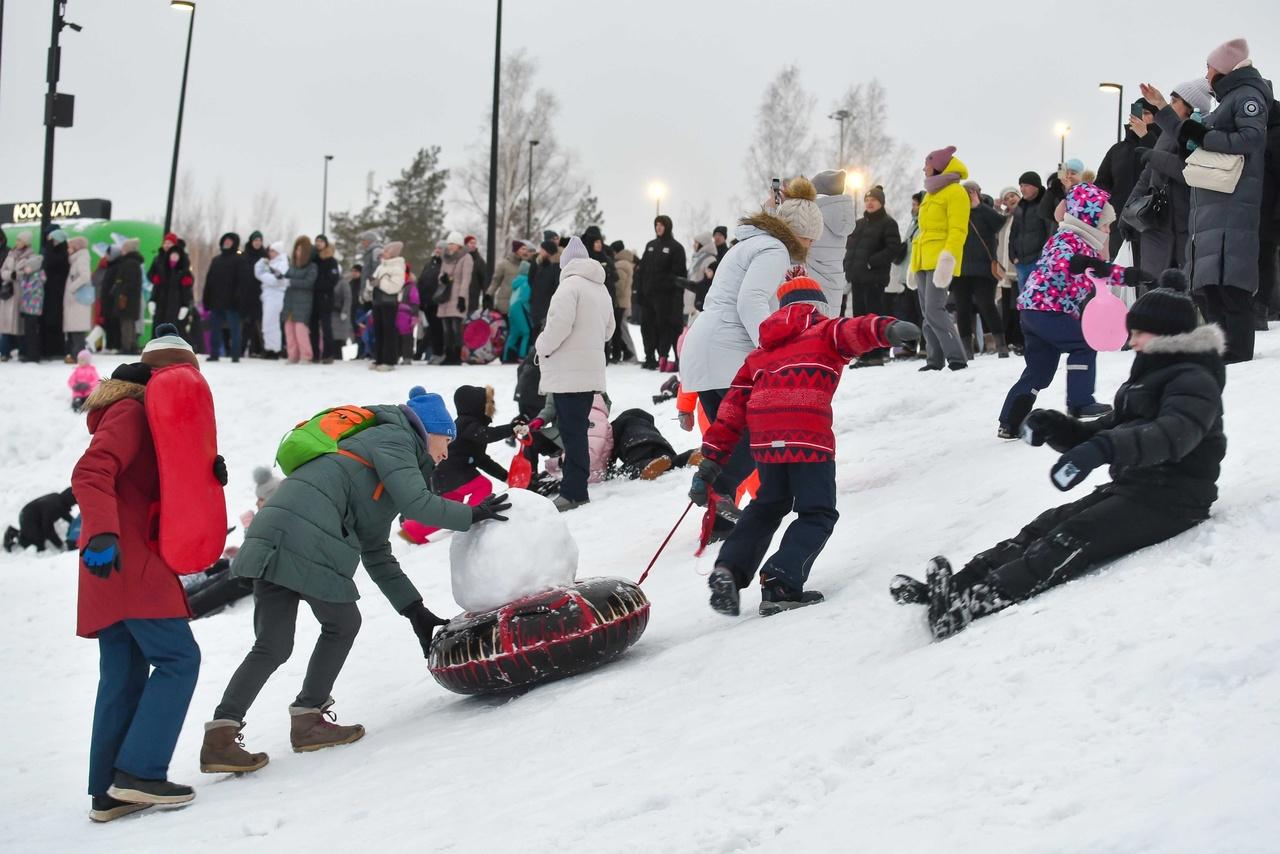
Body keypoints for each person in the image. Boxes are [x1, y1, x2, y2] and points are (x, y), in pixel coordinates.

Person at [893, 270, 1226, 640]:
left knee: (1072, 535)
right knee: (1042, 527)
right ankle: (955, 586)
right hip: (1136, 487)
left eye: (1137, 333)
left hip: (1174, 499)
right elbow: (1114, 427)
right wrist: (1060, 428)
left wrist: (1101, 450)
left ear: (1165, 336)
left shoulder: (1195, 379)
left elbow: (1172, 435)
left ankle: (973, 602)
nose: (1130, 342)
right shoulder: (1152, 375)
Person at [200, 389, 511, 772]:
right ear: (428, 432)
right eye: (445, 442)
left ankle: (220, 737)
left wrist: (415, 611)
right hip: (307, 533)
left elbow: (376, 551)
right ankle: (308, 718)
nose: (446, 453)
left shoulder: (371, 457)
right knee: (342, 623)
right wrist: (473, 513)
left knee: (272, 644)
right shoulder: (396, 439)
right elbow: (419, 506)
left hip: (273, 529)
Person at [692, 277, 919, 616]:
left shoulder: (760, 352)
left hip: (766, 440)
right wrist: (888, 329)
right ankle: (781, 580)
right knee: (818, 511)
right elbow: (855, 329)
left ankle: (728, 569)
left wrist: (710, 461)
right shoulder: (825, 330)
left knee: (767, 504)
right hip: (806, 435)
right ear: (817, 306)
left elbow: (731, 411)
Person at [72, 330, 221, 820]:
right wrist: (101, 534)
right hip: (124, 555)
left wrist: (205, 475)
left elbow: (159, 486)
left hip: (114, 558)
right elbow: (91, 472)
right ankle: (140, 771)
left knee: (124, 671)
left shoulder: (155, 418)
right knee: (179, 658)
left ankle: (108, 791)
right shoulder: (133, 411)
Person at [681, 176, 825, 532]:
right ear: (798, 233)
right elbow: (751, 301)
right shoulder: (774, 250)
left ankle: (719, 521)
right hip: (726, 349)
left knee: (728, 435)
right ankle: (719, 490)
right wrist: (772, 347)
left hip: (706, 347)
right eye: (808, 239)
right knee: (758, 432)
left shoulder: (749, 245)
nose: (809, 246)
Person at [997, 183, 1134, 439]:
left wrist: (1130, 276)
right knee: (1084, 343)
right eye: (1105, 224)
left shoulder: (1087, 249)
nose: (1107, 231)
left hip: (1035, 311)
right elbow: (1061, 261)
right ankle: (1080, 402)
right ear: (1089, 221)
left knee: (1039, 371)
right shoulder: (1066, 239)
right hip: (1047, 309)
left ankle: (1010, 422)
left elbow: (1100, 273)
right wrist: (1080, 263)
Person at [1181, 38, 1272, 363]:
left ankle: (1236, 352)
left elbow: (1252, 138)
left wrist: (1205, 136)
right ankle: (1222, 349)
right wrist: (1167, 113)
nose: (1206, 75)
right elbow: (1190, 138)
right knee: (1214, 285)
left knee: (1231, 284)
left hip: (1236, 201)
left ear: (1225, 68)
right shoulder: (1228, 99)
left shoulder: (1248, 96)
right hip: (1217, 203)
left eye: (1209, 67)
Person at [532, 236, 615, 512]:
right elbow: (609, 331)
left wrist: (540, 346)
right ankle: (575, 486)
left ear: (566, 264)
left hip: (568, 373)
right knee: (578, 429)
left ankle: (573, 491)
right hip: (590, 372)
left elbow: (557, 329)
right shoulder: (600, 289)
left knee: (572, 434)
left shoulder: (568, 288)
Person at [401, 384, 524, 543]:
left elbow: (481, 459)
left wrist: (505, 477)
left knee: (447, 510)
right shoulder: (467, 424)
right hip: (454, 473)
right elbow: (487, 435)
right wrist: (511, 429)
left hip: (445, 476)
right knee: (483, 485)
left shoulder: (471, 426)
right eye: (488, 403)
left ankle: (412, 529)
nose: (492, 407)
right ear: (476, 405)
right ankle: (472, 519)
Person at [1127, 80, 1213, 283]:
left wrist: (1153, 156)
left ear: (1191, 108)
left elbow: (1189, 171)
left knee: (1180, 290)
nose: (1169, 105)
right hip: (1157, 222)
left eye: (1175, 101)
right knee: (1151, 286)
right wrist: (1127, 213)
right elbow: (1147, 175)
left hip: (1183, 226)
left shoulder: (1199, 133)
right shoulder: (1166, 133)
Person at [910, 146, 970, 371]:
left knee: (935, 309)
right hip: (922, 258)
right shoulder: (929, 193)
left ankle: (956, 357)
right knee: (927, 312)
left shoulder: (955, 192)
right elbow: (923, 229)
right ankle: (934, 360)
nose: (924, 168)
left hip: (940, 260)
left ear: (937, 167)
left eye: (927, 164)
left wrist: (948, 259)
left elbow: (958, 230)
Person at [843, 183, 901, 365]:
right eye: (867, 200)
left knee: (873, 316)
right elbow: (851, 248)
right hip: (857, 278)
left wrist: (872, 262)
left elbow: (893, 249)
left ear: (881, 202)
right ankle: (864, 354)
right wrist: (848, 266)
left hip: (874, 278)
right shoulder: (859, 224)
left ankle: (876, 354)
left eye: (873, 200)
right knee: (859, 317)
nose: (869, 203)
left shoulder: (888, 223)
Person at [951, 181, 1008, 359]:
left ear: (978, 193)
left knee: (987, 305)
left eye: (972, 192)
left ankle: (1001, 344)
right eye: (965, 192)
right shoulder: (957, 213)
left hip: (984, 268)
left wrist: (979, 206)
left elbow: (1000, 222)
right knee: (962, 309)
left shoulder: (986, 211)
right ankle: (967, 349)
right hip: (960, 269)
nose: (969, 195)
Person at [1097, 99, 1161, 258]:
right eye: (1136, 113)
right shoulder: (1117, 150)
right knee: (1120, 278)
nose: (1139, 117)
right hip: (1120, 225)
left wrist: (1146, 136)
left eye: (1146, 113)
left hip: (1153, 225)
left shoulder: (1162, 143)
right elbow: (1101, 184)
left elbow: (1162, 163)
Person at [635, 215, 688, 370]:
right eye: (656, 224)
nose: (658, 227)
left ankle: (662, 357)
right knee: (646, 327)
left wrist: (664, 286)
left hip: (664, 298)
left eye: (661, 225)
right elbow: (641, 270)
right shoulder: (650, 245)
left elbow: (679, 275)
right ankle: (649, 357)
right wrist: (639, 291)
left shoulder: (676, 248)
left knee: (662, 327)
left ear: (668, 227)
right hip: (647, 297)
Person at [807, 170, 856, 314]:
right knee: (828, 325)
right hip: (834, 279)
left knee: (814, 328)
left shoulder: (813, 214)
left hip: (813, 282)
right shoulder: (841, 216)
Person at [884, 192, 924, 358]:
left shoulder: (924, 223)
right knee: (909, 311)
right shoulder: (912, 223)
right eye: (913, 204)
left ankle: (926, 345)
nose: (913, 207)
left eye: (916, 204)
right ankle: (909, 344)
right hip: (907, 274)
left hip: (918, 272)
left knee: (921, 310)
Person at [202, 232, 242, 363]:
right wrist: (206, 299)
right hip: (216, 301)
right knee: (215, 329)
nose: (227, 243)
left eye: (230, 241)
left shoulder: (238, 260)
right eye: (225, 241)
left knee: (234, 329)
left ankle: (235, 354)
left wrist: (237, 297)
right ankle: (214, 353)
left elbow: (242, 281)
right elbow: (209, 281)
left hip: (232, 302)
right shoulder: (216, 260)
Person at [367, 241, 406, 371]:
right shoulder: (381, 266)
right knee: (378, 330)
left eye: (387, 251)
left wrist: (380, 283)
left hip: (389, 303)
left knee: (388, 331)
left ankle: (389, 360)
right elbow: (372, 281)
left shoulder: (398, 267)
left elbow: (395, 287)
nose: (383, 253)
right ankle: (379, 358)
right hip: (377, 302)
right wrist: (371, 284)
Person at [1009, 171, 1051, 291]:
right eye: (1021, 186)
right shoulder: (1020, 206)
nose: (1022, 189)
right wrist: (1013, 256)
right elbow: (1013, 234)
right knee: (1023, 301)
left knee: (1038, 299)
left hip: (1038, 263)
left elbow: (1050, 232)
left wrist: (1041, 257)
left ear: (1036, 186)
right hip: (1021, 263)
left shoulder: (1045, 203)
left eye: (1026, 185)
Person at [148, 232, 194, 339]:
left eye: (170, 243)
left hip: (175, 298)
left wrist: (185, 304)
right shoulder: (158, 258)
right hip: (161, 295)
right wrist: (154, 280)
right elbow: (151, 274)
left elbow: (188, 279)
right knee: (158, 322)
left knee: (174, 324)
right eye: (165, 243)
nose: (167, 245)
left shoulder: (182, 258)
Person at [995, 186, 1024, 355]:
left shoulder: (1023, 215)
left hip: (1018, 268)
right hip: (1005, 271)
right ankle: (1010, 340)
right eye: (1006, 198)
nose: (1010, 199)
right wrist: (997, 208)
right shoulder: (1005, 219)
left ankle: (1019, 340)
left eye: (1012, 196)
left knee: (1017, 307)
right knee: (1006, 307)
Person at [3, 487, 76, 553]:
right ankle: (14, 533)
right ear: (70, 500)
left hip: (31, 516)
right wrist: (60, 545)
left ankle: (26, 534)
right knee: (38, 546)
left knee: (41, 536)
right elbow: (48, 529)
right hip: (27, 518)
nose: (75, 504)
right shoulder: (53, 507)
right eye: (75, 502)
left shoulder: (58, 499)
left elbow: (64, 513)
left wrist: (74, 523)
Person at [280, 236, 317, 365]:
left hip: (303, 303)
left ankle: (306, 355)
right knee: (288, 329)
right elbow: (286, 278)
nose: (297, 252)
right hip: (289, 303)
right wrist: (280, 277)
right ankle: (293, 355)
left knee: (300, 330)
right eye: (296, 249)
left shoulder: (312, 267)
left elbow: (308, 282)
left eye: (300, 250)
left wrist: (290, 282)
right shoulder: (292, 266)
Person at [438, 232, 473, 365]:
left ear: (458, 245)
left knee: (455, 327)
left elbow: (466, 279)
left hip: (457, 295)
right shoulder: (446, 257)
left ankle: (457, 355)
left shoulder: (466, 257)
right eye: (449, 244)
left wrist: (462, 298)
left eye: (452, 243)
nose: (450, 246)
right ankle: (448, 355)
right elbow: (441, 274)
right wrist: (443, 278)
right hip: (445, 296)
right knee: (446, 329)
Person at [0, 230, 33, 361]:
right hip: (8, 293)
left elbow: (27, 273)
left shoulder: (30, 256)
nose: (17, 242)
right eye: (17, 240)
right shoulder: (11, 254)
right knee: (5, 323)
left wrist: (16, 275)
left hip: (21, 293)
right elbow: (3, 271)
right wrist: (11, 275)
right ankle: (4, 352)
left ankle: (22, 351)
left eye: (20, 240)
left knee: (20, 324)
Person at [109, 239, 145, 356]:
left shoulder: (129, 263)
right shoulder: (134, 263)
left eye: (124, 248)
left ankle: (127, 347)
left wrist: (121, 293)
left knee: (126, 323)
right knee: (130, 322)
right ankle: (132, 345)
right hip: (132, 299)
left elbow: (128, 282)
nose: (122, 251)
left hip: (127, 298)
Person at [40, 228, 70, 360]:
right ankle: (49, 347)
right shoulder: (59, 251)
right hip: (53, 291)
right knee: (50, 320)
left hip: (56, 292)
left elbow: (51, 262)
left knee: (54, 320)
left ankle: (54, 348)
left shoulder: (60, 252)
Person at [311, 235, 341, 364]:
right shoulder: (313, 259)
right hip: (313, 298)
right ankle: (315, 353)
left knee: (326, 327)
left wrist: (317, 285)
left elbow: (333, 280)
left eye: (321, 241)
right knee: (312, 328)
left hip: (325, 298)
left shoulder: (331, 261)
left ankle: (329, 354)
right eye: (317, 241)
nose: (318, 243)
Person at [63, 236, 93, 361]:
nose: (68, 249)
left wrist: (72, 288)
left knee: (78, 330)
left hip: (78, 301)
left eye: (70, 246)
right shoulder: (77, 259)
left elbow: (85, 277)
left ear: (76, 247)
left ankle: (78, 356)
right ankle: (76, 355)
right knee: (76, 329)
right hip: (76, 301)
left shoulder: (81, 259)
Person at [239, 231, 267, 357]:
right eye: (255, 240)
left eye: (259, 240)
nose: (257, 242)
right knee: (246, 324)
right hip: (246, 295)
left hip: (261, 295)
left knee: (260, 324)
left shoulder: (265, 256)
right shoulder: (244, 256)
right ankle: (241, 349)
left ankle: (259, 349)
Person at [609, 239, 636, 363]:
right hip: (625, 301)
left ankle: (630, 354)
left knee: (621, 330)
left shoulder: (620, 265)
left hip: (620, 302)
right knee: (622, 329)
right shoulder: (628, 263)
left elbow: (619, 286)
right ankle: (629, 353)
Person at [487, 240, 530, 316]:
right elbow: (495, 282)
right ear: (516, 250)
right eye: (523, 249)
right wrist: (488, 295)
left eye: (526, 249)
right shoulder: (504, 265)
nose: (525, 251)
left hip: (520, 304)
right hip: (505, 304)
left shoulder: (528, 266)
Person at [684, 232, 718, 327]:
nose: (694, 245)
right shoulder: (697, 258)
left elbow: (708, 282)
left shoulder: (709, 260)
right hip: (692, 301)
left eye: (696, 242)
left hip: (699, 302)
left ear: (702, 244)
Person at [16, 252, 45, 362]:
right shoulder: (32, 275)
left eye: (27, 267)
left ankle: (33, 355)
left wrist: (23, 278)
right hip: (29, 308)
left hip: (33, 308)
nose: (25, 269)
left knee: (31, 332)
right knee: (29, 331)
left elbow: (26, 288)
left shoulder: (36, 277)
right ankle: (30, 354)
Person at [503, 260, 534, 362]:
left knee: (513, 334)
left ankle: (506, 357)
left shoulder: (516, 281)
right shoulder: (526, 282)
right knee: (526, 332)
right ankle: (522, 356)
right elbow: (525, 299)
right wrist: (530, 311)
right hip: (520, 309)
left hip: (512, 309)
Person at [529, 238, 561, 333]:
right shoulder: (540, 264)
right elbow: (531, 280)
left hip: (547, 309)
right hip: (537, 307)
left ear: (548, 251)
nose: (540, 251)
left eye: (542, 249)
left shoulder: (556, 267)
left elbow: (556, 287)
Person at [464, 235, 487, 313]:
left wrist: (485, 298)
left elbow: (485, 281)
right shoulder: (460, 258)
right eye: (471, 243)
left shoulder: (479, 261)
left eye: (474, 243)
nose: (473, 245)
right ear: (465, 244)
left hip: (472, 299)